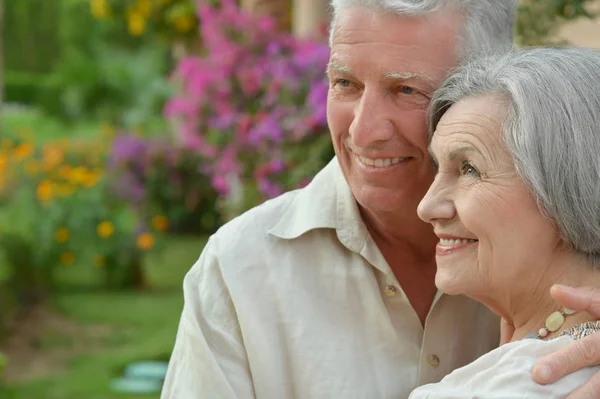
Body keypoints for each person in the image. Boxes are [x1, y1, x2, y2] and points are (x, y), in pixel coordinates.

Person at [161, 2, 600, 398]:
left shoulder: (568, 216)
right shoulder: (238, 268)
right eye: (345, 83)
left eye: (408, 90)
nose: (363, 132)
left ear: (486, 85)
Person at [410, 46, 600, 398]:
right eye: (438, 168)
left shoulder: (526, 384)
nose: (427, 206)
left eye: (469, 169)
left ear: (565, 190)